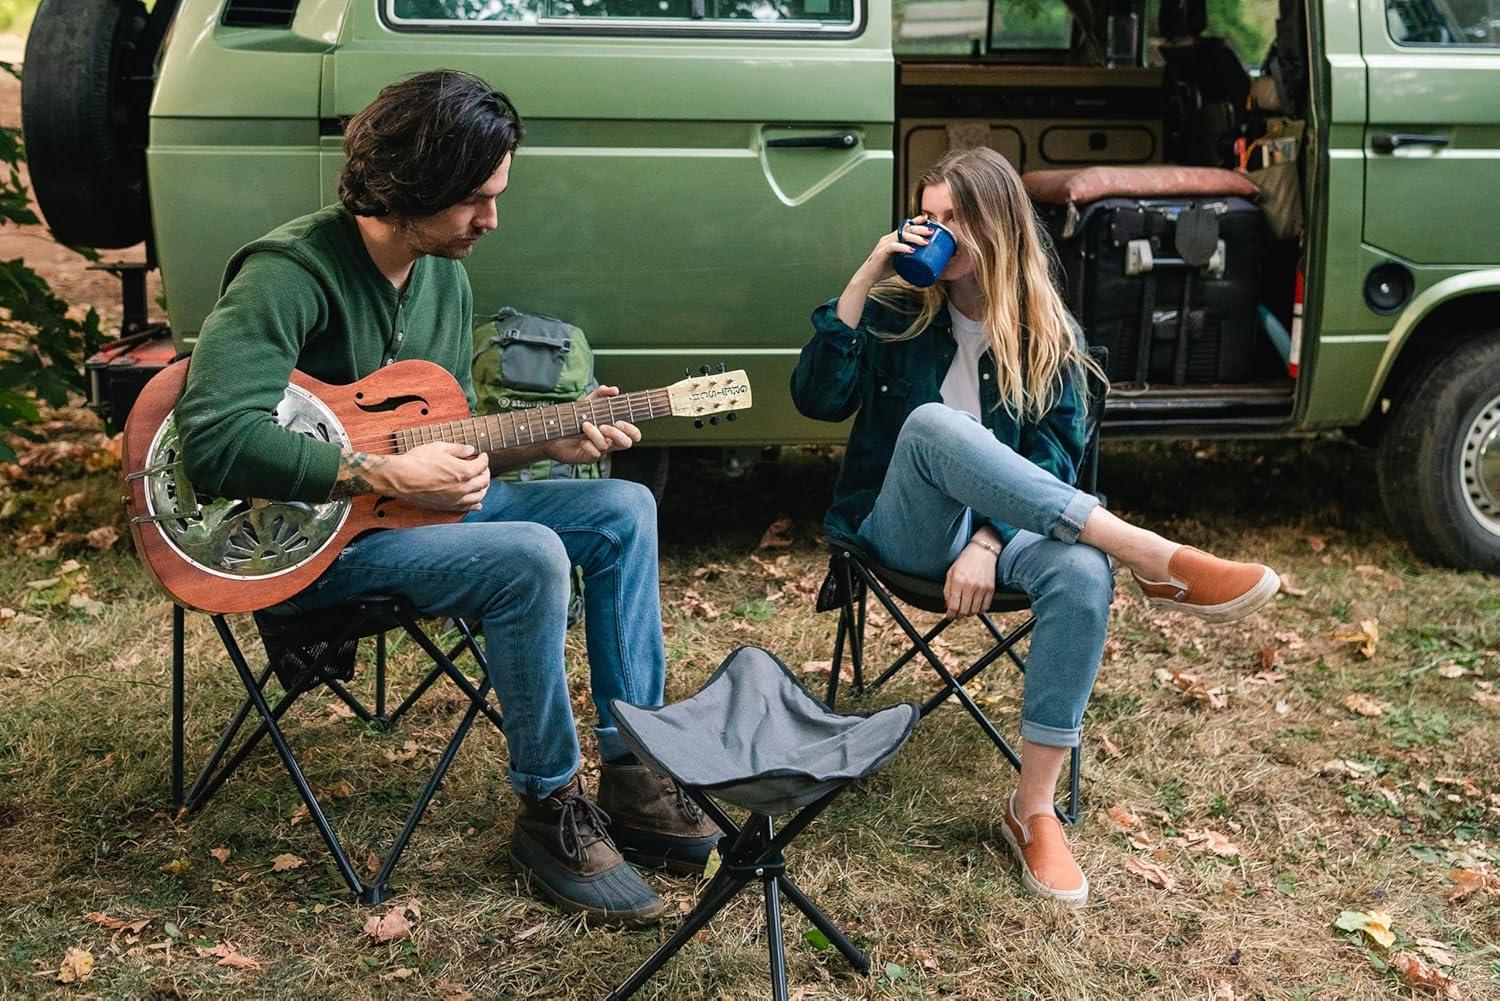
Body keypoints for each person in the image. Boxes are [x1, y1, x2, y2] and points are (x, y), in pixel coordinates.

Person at [174, 70, 717, 926]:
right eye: (473, 199)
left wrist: (547, 439)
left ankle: (635, 766)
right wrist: (372, 474)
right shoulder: (286, 273)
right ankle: (549, 809)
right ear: (406, 187)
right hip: (310, 548)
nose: (491, 220)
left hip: (413, 523)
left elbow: (436, 443)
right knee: (530, 556)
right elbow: (212, 438)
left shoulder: (441, 276)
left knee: (622, 509)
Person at [790, 147, 1280, 908]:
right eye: (926, 216)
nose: (933, 231)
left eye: (953, 218)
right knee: (929, 425)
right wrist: (866, 275)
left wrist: (988, 539)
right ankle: (1151, 554)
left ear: (997, 226)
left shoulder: (1052, 336)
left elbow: (1052, 460)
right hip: (902, 530)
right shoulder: (894, 313)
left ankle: (1034, 806)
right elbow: (817, 399)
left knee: (1084, 571)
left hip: (1005, 536)